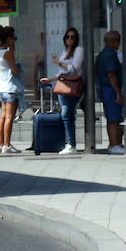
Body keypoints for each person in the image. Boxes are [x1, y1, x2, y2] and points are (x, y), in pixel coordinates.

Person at [49, 26, 84, 155]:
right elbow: (61, 72)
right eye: (67, 37)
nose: (70, 39)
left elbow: (73, 68)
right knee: (66, 115)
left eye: (72, 37)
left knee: (66, 114)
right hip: (62, 85)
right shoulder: (65, 52)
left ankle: (71, 144)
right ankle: (69, 142)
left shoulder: (79, 50)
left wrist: (58, 62)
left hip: (73, 86)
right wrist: (50, 79)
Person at [0, 25, 23, 155]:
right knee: (10, 117)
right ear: (9, 39)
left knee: (3, 117)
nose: (15, 41)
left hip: (2, 88)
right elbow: (15, 71)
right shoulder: (7, 53)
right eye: (14, 38)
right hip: (10, 88)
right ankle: (7, 144)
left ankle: (0, 145)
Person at [96, 30, 124, 154]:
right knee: (114, 118)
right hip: (110, 89)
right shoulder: (110, 55)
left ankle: (114, 143)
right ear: (113, 41)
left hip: (106, 89)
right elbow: (111, 74)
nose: (118, 44)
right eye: (117, 41)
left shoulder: (103, 54)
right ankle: (115, 144)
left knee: (113, 118)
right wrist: (118, 92)